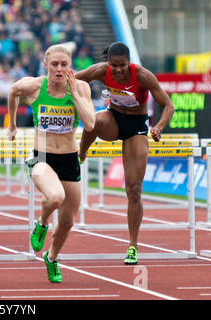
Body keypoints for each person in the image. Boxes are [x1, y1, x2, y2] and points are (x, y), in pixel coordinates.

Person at [75, 42, 175, 265]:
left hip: (137, 127)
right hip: (114, 120)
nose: (118, 70)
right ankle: (80, 156)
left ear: (128, 63)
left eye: (122, 65)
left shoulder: (142, 75)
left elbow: (168, 106)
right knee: (96, 119)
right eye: (114, 65)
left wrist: (158, 127)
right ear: (108, 63)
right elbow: (72, 79)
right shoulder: (100, 71)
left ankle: (132, 246)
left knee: (134, 190)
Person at [6, 44, 95, 283]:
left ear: (70, 67)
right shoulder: (34, 87)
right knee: (55, 197)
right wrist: (12, 124)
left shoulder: (81, 88)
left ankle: (52, 258)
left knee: (68, 221)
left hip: (69, 158)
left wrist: (74, 94)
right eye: (54, 64)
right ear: (46, 65)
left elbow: (89, 124)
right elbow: (13, 91)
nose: (59, 69)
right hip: (42, 156)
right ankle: (42, 222)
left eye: (64, 65)